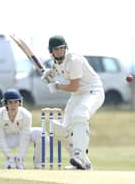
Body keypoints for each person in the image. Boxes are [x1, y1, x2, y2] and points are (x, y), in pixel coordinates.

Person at [41, 35, 105, 170]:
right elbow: (57, 72)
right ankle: (84, 164)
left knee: (80, 114)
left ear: (65, 48)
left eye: (61, 48)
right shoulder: (55, 63)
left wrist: (57, 86)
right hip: (77, 95)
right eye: (56, 49)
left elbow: (74, 86)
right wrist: (49, 75)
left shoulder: (74, 60)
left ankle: (79, 156)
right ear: (51, 52)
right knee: (62, 130)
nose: (59, 51)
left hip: (93, 91)